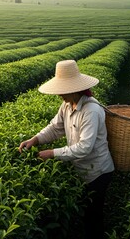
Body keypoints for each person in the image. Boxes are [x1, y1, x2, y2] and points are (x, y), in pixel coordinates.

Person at [18, 60, 115, 239]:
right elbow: (55, 127)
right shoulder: (67, 105)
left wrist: (52, 153)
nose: (60, 94)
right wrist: (36, 139)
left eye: (63, 90)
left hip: (98, 172)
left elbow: (85, 147)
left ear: (74, 89)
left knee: (93, 216)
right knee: (86, 212)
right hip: (82, 170)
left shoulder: (91, 110)